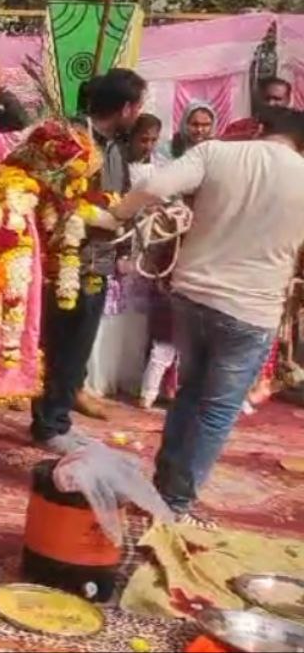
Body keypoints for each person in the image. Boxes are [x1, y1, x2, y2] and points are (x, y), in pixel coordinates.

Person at [109, 107, 304, 524]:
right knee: (216, 410)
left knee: (190, 392)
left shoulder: (216, 153)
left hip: (193, 295)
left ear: (260, 129)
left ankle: (164, 487)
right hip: (251, 310)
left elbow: (154, 185)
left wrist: (118, 216)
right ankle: (175, 505)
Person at [32, 68, 146, 453]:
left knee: (77, 345)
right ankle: (52, 424)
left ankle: (56, 414)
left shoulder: (116, 145)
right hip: (65, 260)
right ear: (127, 107)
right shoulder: (71, 141)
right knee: (61, 342)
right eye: (140, 103)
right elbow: (50, 196)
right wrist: (94, 216)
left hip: (99, 259)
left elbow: (121, 198)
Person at [84, 114, 164, 402]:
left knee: (133, 315)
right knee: (104, 310)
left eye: (154, 140)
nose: (149, 145)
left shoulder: (159, 168)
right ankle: (96, 377)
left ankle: (125, 375)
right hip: (111, 240)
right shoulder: (116, 165)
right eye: (144, 139)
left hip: (141, 248)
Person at [222, 77, 292, 140]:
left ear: (288, 100)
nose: (270, 103)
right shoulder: (237, 128)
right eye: (266, 98)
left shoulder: (296, 130)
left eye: (277, 99)